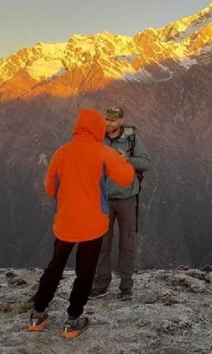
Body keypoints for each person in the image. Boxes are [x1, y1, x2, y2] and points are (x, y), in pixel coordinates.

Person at [28, 108, 135, 338]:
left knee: (54, 267)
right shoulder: (103, 152)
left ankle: (37, 315)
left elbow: (49, 188)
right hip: (92, 224)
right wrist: (123, 161)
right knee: (84, 273)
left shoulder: (61, 152)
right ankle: (72, 321)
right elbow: (126, 178)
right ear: (97, 129)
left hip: (65, 222)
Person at [90, 106, 152, 300]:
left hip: (126, 198)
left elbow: (146, 163)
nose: (109, 124)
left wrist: (128, 160)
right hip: (104, 199)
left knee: (127, 244)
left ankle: (126, 287)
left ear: (121, 121)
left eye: (113, 120)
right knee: (102, 245)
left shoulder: (132, 140)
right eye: (107, 120)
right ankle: (101, 285)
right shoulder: (97, 138)